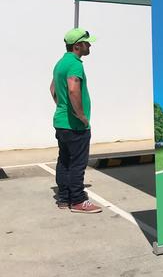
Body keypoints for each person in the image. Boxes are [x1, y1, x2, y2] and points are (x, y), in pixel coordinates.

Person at [49, 28, 102, 213]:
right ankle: (79, 201)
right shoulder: (75, 64)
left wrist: (61, 106)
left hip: (61, 122)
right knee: (78, 163)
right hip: (74, 125)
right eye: (87, 42)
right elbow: (73, 89)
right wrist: (81, 116)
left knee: (64, 161)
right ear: (77, 45)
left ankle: (64, 198)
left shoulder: (60, 63)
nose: (89, 45)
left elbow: (52, 89)